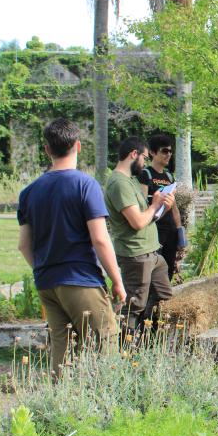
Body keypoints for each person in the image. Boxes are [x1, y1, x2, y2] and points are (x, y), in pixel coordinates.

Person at [17, 119, 126, 376]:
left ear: (47, 150)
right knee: (104, 344)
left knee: (62, 351)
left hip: (46, 282)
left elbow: (24, 245)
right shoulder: (85, 185)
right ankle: (106, 410)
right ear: (78, 146)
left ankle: (59, 409)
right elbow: (100, 239)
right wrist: (117, 280)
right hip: (80, 280)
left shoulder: (29, 192)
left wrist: (44, 266)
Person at [105, 137, 175, 333]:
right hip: (136, 254)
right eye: (144, 157)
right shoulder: (119, 183)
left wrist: (163, 207)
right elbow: (137, 222)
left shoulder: (131, 181)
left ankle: (149, 344)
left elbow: (147, 217)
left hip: (151, 252)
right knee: (133, 307)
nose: (144, 163)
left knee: (163, 298)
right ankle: (124, 351)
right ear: (133, 155)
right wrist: (154, 205)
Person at [138, 134, 184, 280]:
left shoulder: (169, 177)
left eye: (170, 151)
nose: (168, 154)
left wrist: (180, 232)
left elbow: (174, 207)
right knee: (154, 272)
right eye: (164, 151)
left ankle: (164, 303)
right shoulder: (145, 174)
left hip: (170, 231)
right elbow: (143, 206)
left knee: (169, 271)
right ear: (152, 152)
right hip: (155, 231)